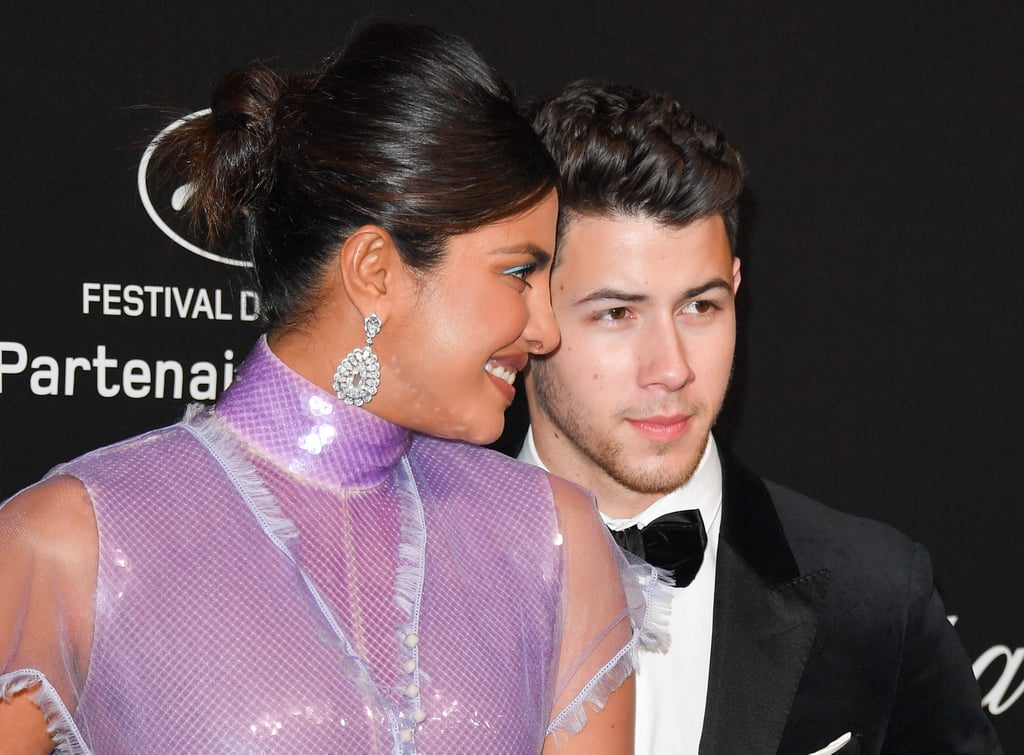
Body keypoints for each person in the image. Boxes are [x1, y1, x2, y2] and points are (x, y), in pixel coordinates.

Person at [0, 27, 653, 753]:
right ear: (374, 269)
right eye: (518, 272)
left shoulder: (552, 541)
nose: (545, 330)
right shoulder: (72, 540)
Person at [512, 80, 1003, 754]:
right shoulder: (408, 573)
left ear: (737, 289)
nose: (672, 366)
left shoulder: (877, 598)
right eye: (617, 313)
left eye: (701, 307)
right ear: (526, 310)